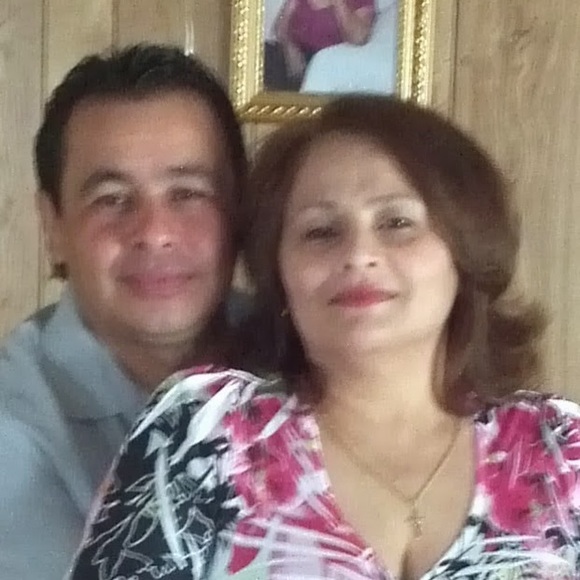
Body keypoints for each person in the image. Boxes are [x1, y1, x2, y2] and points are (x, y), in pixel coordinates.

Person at [68, 95, 580, 579]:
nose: (358, 255)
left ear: (465, 251)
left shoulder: (562, 449)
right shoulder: (203, 432)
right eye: (321, 232)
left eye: (396, 222)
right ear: (279, 273)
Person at [0, 44, 247, 580]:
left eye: (188, 193)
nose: (154, 232)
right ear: (53, 225)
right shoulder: (12, 426)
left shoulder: (309, 351)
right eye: (111, 198)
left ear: (238, 212)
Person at [265, 0, 376, 91]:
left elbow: (358, 38)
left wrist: (338, 3)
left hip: (328, 65)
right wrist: (290, 49)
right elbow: (279, 29)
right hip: (294, 55)